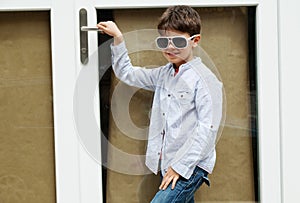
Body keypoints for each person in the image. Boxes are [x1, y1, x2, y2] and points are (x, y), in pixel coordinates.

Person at [97, 5, 223, 203]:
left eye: (178, 41)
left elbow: (208, 129)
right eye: (164, 41)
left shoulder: (206, 80)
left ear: (195, 41)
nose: (170, 47)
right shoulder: (164, 74)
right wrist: (119, 39)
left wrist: (179, 167)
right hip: (169, 165)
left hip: (190, 166)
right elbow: (128, 74)